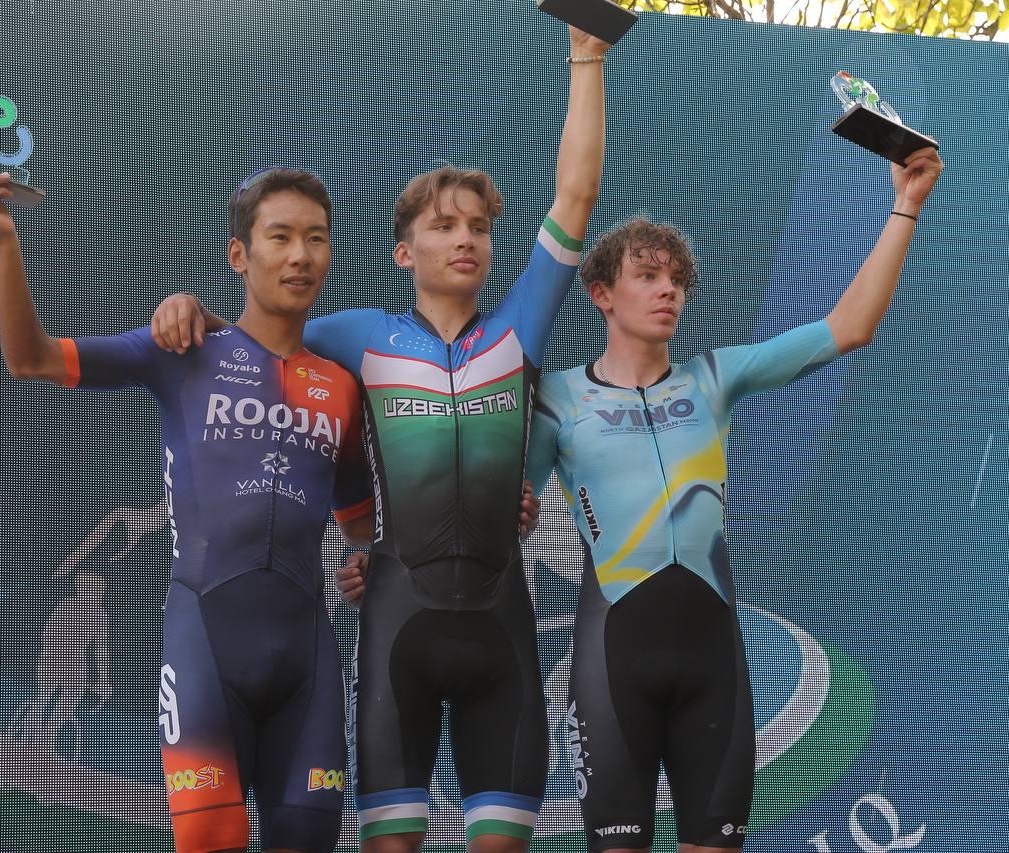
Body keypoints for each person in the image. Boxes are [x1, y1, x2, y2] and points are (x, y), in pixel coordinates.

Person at [149, 24, 610, 851]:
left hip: (501, 629)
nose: (465, 238)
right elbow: (262, 339)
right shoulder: (356, 335)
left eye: (479, 227)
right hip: (397, 624)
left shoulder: (519, 330)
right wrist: (191, 312)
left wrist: (587, 56)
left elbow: (574, 199)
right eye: (444, 225)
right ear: (404, 250)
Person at [0, 162, 376, 853]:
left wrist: (374, 559)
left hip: (308, 665)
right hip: (205, 647)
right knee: (212, 839)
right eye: (280, 236)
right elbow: (31, 358)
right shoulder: (183, 350)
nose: (301, 255)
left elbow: (362, 524)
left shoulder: (341, 388)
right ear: (239, 254)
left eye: (316, 238)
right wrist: (5, 244)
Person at [523, 147, 944, 853]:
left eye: (677, 280)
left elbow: (849, 326)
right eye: (648, 276)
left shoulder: (713, 379)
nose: (669, 291)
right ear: (601, 293)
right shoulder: (557, 398)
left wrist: (907, 206)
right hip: (612, 662)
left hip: (712, 664)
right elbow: (507, 517)